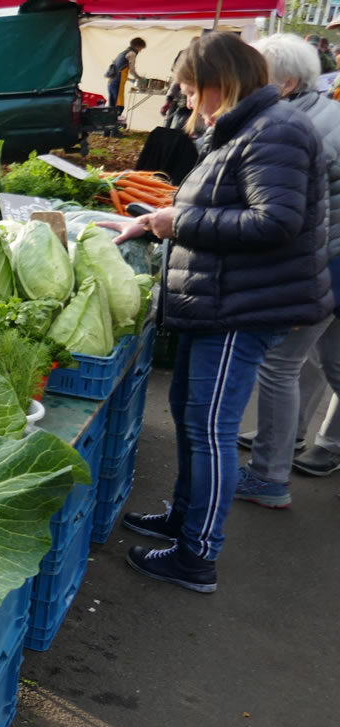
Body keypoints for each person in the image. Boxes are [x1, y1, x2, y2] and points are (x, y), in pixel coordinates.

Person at [99, 33, 332, 593]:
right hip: (224, 297)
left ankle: (197, 556)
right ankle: (184, 520)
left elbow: (273, 222)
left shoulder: (275, 130)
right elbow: (225, 203)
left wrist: (174, 223)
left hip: (241, 305)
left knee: (210, 428)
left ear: (220, 82)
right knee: (189, 412)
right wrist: (155, 217)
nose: (186, 99)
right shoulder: (251, 127)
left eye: (189, 87)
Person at [231, 34, 340, 508]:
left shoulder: (298, 126)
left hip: (323, 264)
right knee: (330, 361)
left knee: (281, 365)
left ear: (289, 82)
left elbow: (279, 214)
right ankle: (292, 441)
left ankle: (269, 475)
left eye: (259, 76)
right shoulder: (325, 115)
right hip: (331, 261)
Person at [105, 37, 146, 116]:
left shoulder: (123, 53)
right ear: (137, 46)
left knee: (112, 107)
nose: (140, 51)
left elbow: (119, 70)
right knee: (119, 107)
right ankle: (115, 126)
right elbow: (132, 70)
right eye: (140, 48)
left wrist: (131, 80)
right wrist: (139, 78)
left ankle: (109, 126)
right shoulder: (132, 53)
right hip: (117, 82)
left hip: (111, 82)